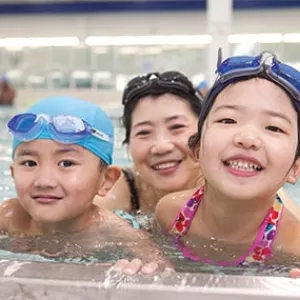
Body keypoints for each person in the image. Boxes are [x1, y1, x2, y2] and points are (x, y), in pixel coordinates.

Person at [155, 51, 300, 267]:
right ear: (196, 148)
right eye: (228, 120)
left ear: (295, 168)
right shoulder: (169, 213)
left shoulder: (292, 245)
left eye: (274, 127)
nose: (248, 138)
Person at [0, 95, 170, 274]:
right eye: (29, 163)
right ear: (13, 173)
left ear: (106, 180)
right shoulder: (9, 216)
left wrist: (141, 271)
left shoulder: (118, 236)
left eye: (66, 163)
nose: (44, 181)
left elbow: (167, 276)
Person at [97, 71, 203, 217]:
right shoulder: (122, 191)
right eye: (144, 132)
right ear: (128, 143)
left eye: (177, 127)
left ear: (205, 132)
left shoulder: (226, 186)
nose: (161, 147)